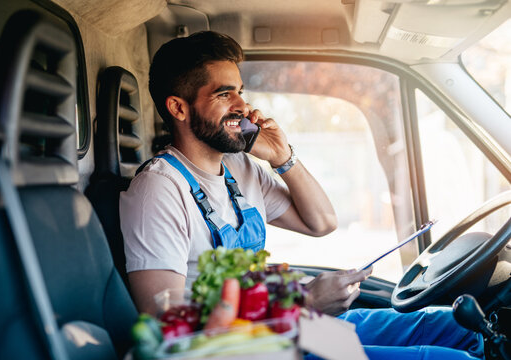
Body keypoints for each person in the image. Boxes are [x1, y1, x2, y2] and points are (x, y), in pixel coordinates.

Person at [119, 31, 483, 360]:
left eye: (240, 91)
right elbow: (166, 324)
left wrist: (282, 157)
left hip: (291, 327)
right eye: (223, 93)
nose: (242, 106)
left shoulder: (240, 167)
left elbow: (322, 223)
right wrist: (303, 300)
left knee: (464, 329)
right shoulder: (158, 189)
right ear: (178, 108)